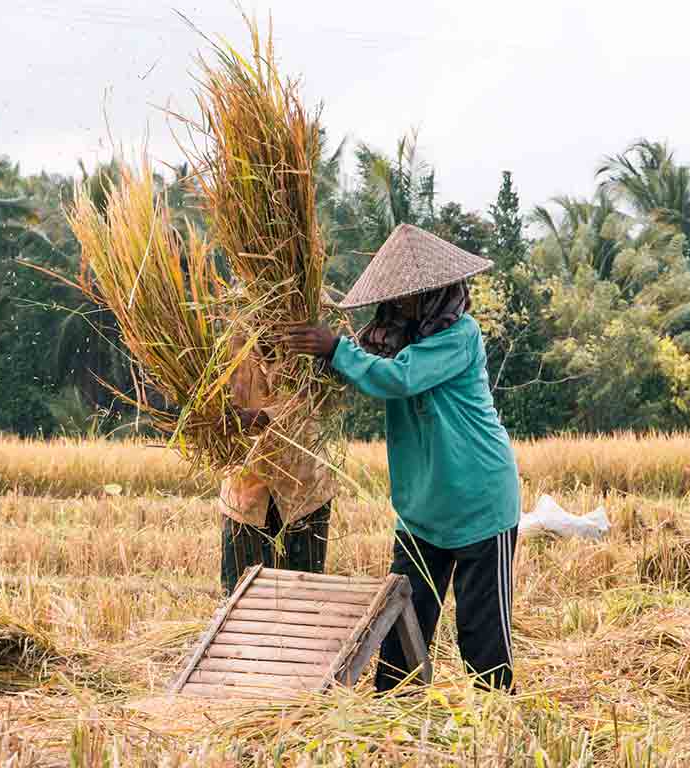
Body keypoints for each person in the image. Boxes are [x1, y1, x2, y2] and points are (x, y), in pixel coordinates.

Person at [285, 223, 521, 691]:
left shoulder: (460, 335)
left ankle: (498, 735)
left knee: (482, 641)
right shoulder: (389, 340)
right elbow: (365, 369)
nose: (401, 304)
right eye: (396, 296)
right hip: (420, 515)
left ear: (437, 293)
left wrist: (335, 349)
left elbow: (399, 380)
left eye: (412, 296)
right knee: (399, 637)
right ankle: (396, 731)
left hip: (479, 506)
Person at [217, 336, 339, 594]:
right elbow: (212, 394)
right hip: (245, 493)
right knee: (240, 600)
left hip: (303, 490)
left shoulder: (307, 324)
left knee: (303, 600)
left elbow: (321, 393)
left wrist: (266, 417)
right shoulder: (230, 335)